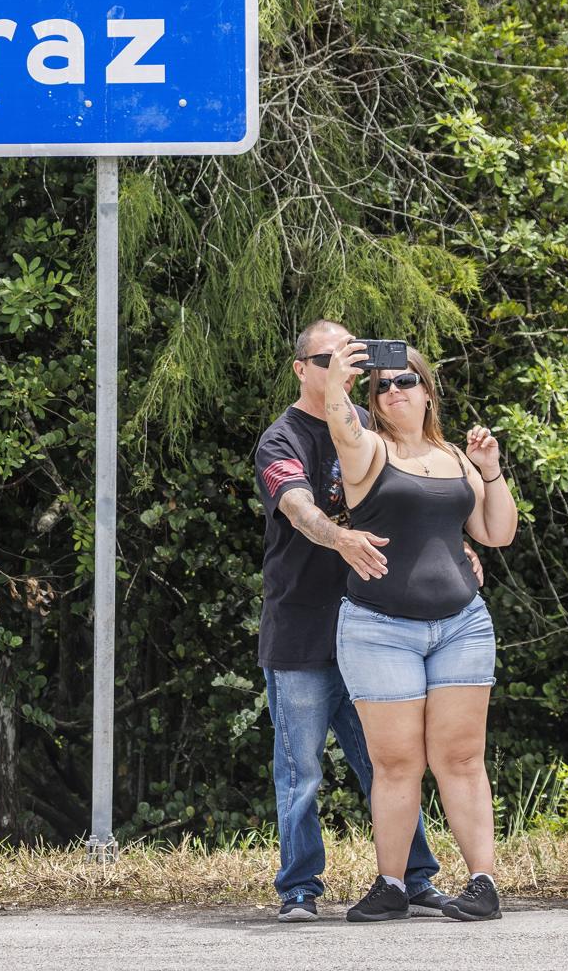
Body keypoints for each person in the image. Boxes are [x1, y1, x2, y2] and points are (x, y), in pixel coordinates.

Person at [253, 319, 459, 923]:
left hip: (376, 625)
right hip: (303, 624)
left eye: (351, 357)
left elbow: (428, 492)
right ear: (301, 369)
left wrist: (458, 546)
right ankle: (299, 889)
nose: (341, 368)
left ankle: (413, 879)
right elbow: (296, 507)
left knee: (389, 763)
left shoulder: (374, 428)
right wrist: (340, 537)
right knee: (302, 769)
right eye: (327, 359)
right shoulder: (281, 438)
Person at [321, 342, 517, 924]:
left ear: (427, 389)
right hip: (379, 629)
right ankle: (392, 885)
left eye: (404, 381)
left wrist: (490, 469)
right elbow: (340, 423)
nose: (393, 393)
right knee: (398, 762)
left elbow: (496, 533)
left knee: (460, 758)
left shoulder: (456, 457)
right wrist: (338, 382)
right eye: (381, 386)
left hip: (461, 625)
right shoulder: (368, 452)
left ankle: (482, 885)